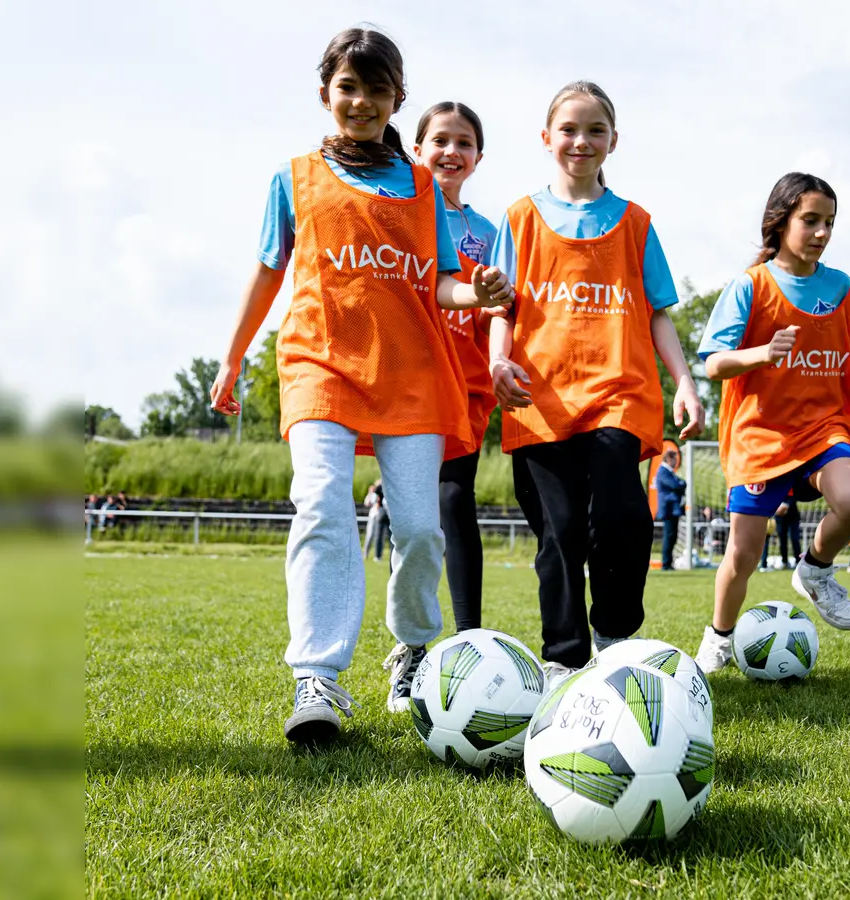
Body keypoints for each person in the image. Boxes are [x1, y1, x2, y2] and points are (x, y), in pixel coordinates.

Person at [208, 28, 510, 746]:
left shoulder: (422, 186)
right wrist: (230, 359)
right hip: (320, 365)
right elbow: (267, 272)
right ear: (325, 95)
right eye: (349, 87)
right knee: (319, 506)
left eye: (378, 90)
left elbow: (438, 282)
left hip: (410, 374)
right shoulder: (293, 177)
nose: (362, 101)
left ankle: (412, 645)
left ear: (396, 99)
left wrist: (479, 293)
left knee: (418, 530)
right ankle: (317, 678)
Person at [488, 81, 704, 691]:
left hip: (618, 391)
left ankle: (613, 636)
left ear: (613, 141)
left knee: (622, 515)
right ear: (546, 138)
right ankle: (562, 659)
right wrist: (497, 364)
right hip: (540, 397)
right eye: (569, 129)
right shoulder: (521, 218)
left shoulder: (636, 222)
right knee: (558, 534)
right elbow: (501, 308)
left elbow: (659, 309)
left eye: (595, 130)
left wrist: (684, 382)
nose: (581, 141)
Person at [690, 173, 850, 671]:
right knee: (743, 555)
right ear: (781, 222)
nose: (821, 233)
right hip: (761, 436)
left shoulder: (841, 287)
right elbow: (712, 362)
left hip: (824, 428)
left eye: (829, 223)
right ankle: (720, 636)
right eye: (810, 221)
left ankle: (815, 570)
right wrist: (760, 354)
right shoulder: (749, 286)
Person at [414, 102, 498, 632]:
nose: (451, 151)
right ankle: (413, 642)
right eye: (440, 140)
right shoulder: (400, 212)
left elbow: (502, 310)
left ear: (478, 157)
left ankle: (470, 636)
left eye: (464, 142)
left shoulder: (490, 231)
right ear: (416, 150)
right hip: (414, 378)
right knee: (418, 516)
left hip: (467, 382)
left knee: (455, 497)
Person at [654, 447, 687, 570]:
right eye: (675, 459)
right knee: (669, 536)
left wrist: (681, 484)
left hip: (673, 509)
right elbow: (676, 485)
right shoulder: (663, 471)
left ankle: (669, 562)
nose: (676, 462)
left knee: (673, 536)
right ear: (669, 458)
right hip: (668, 509)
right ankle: (666, 563)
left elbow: (680, 484)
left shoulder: (669, 472)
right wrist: (681, 484)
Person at [362, 480, 388, 561]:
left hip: (381, 515)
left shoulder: (383, 492)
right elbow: (367, 503)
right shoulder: (373, 493)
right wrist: (370, 493)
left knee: (381, 536)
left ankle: (378, 555)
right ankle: (365, 553)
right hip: (373, 515)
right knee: (370, 535)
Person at [775, 496, 802, 569]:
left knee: (795, 539)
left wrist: (785, 505)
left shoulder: (790, 487)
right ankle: (784, 561)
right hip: (780, 519)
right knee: (782, 540)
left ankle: (798, 561)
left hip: (793, 517)